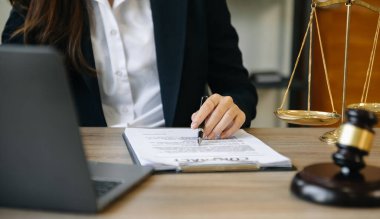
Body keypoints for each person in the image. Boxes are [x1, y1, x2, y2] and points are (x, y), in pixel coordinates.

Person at [2, 0, 258, 140]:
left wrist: (233, 109)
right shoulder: (37, 6)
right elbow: (10, 100)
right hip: (87, 163)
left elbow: (238, 89)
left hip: (177, 162)